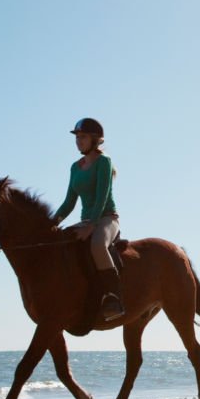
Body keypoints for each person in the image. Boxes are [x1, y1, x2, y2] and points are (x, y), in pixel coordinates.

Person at [52, 117, 125, 321]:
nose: (78, 141)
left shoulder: (104, 162)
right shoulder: (75, 167)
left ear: (95, 140)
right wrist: (51, 223)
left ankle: (113, 298)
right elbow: (69, 202)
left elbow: (102, 197)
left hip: (107, 219)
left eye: (82, 137)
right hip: (86, 221)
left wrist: (91, 225)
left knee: (97, 245)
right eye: (77, 137)